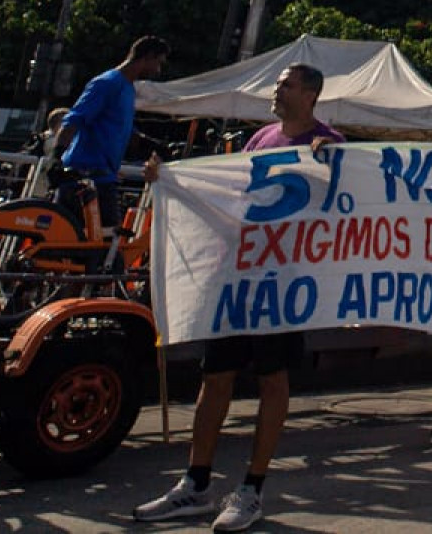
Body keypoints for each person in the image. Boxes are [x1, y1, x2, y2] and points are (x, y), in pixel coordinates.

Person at [134, 64, 344, 531]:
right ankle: (197, 482)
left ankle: (251, 489)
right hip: (239, 280)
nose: (276, 90)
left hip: (285, 285)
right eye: (278, 84)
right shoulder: (261, 139)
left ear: (310, 93)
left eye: (286, 84)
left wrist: (334, 160)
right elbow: (229, 192)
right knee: (216, 376)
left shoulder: (329, 143)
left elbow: (349, 198)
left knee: (272, 380)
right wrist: (169, 178)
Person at [51, 35, 169, 236]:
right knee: (99, 244)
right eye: (158, 63)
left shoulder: (128, 89)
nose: (158, 70)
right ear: (148, 57)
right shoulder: (107, 83)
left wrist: (155, 145)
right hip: (85, 175)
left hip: (103, 177)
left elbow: (120, 129)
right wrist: (57, 158)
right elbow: (73, 120)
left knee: (99, 243)